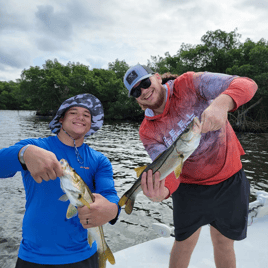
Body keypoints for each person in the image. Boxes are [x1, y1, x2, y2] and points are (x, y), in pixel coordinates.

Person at [123, 64, 258, 268]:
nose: (143, 90)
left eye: (145, 82)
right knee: (183, 242)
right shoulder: (147, 131)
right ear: (135, 98)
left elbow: (247, 84)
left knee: (223, 242)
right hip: (189, 188)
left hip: (229, 179)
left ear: (157, 78)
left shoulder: (189, 83)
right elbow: (168, 170)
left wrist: (222, 103)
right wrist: (163, 191)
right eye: (136, 91)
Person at [0, 93, 120, 268]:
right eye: (73, 112)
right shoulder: (35, 147)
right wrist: (23, 153)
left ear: (90, 125)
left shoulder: (100, 160)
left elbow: (109, 194)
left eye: (86, 115)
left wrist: (113, 209)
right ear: (61, 119)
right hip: (34, 256)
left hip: (85, 253)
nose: (80, 117)